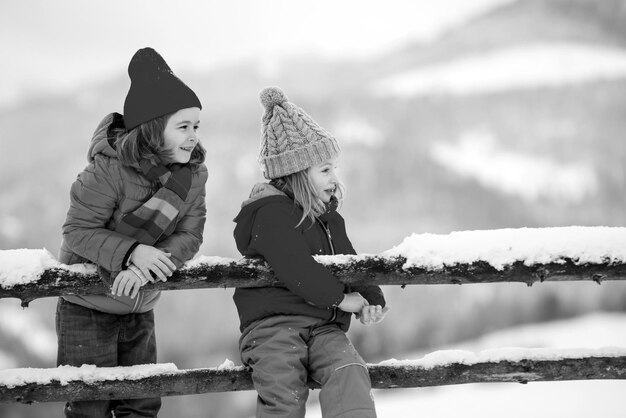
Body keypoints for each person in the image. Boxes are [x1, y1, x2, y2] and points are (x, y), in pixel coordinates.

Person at [56, 47, 208, 418]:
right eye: (183, 126)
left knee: (141, 404)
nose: (193, 137)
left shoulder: (192, 176)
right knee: (89, 408)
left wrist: (144, 267)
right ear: (155, 128)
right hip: (87, 306)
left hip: (140, 302)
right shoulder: (107, 171)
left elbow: (190, 233)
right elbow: (77, 230)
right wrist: (131, 253)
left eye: (196, 126)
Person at [233, 86, 388, 418]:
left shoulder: (329, 218)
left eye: (334, 168)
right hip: (273, 327)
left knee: (348, 370)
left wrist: (370, 296)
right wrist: (343, 300)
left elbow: (350, 262)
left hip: (323, 327)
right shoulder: (271, 214)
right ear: (297, 173)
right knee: (283, 394)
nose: (335, 178)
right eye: (325, 170)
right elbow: (296, 268)